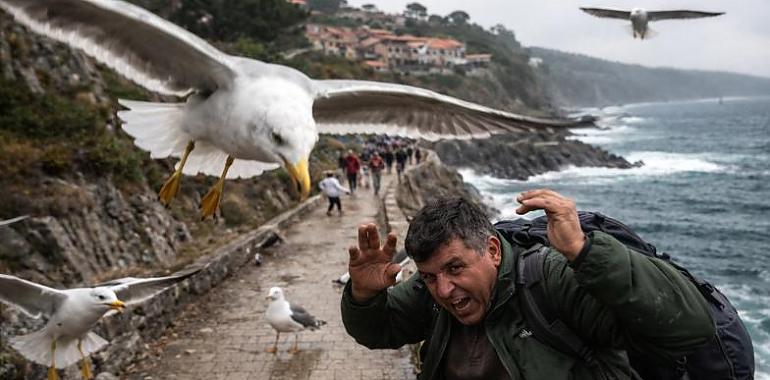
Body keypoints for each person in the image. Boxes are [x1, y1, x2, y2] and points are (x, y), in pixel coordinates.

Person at [341, 190, 715, 380]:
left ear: (491, 250)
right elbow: (379, 329)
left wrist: (585, 253)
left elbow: (688, 328)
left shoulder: (551, 281)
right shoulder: (436, 291)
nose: (443, 289)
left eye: (455, 268)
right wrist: (364, 295)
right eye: (429, 276)